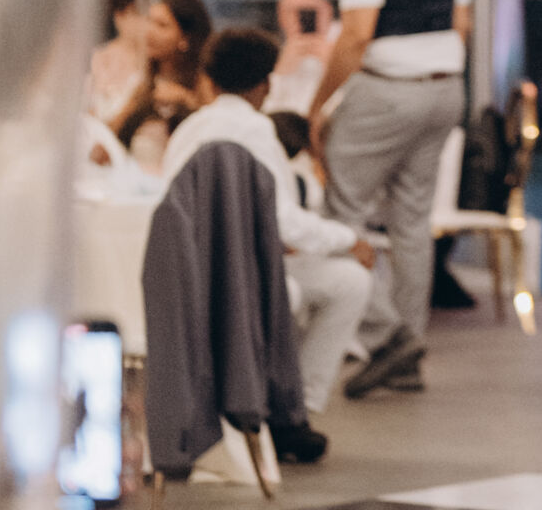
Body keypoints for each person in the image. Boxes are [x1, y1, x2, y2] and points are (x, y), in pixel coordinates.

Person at [159, 25, 378, 458]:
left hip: (185, 269)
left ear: (208, 80)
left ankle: (282, 407)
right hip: (241, 275)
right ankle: (294, 410)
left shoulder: (189, 130)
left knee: (315, 281)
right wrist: (349, 239)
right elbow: (284, 220)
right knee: (350, 282)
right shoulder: (256, 130)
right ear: (267, 85)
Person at [309, 0, 471, 398]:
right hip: (445, 90)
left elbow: (356, 35)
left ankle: (386, 337)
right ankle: (409, 352)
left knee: (339, 211)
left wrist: (318, 104)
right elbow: (462, 22)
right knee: (412, 225)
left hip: (388, 91)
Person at [109, 0, 212, 173]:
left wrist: (185, 99)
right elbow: (113, 133)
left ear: (185, 38)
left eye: (162, 25)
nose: (149, 31)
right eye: (149, 21)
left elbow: (219, 126)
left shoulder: (204, 81)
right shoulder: (147, 83)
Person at [266, 0, 338, 119]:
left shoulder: (351, 47)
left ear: (327, 10)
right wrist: (279, 74)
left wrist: (337, 66)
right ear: (281, 16)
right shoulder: (270, 55)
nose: (302, 18)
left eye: (309, 11)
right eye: (292, 11)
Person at [85, 0, 149, 125]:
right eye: (136, 13)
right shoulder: (96, 57)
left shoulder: (152, 60)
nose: (144, 21)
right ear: (118, 15)